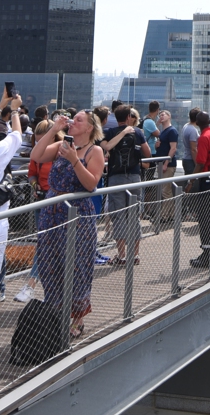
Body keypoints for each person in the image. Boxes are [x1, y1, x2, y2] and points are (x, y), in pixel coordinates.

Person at [32, 109, 105, 334]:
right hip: (51, 213)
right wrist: (54, 129)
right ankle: (55, 315)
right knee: (49, 264)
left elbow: (91, 184)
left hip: (77, 216)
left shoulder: (95, 151)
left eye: (79, 120)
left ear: (89, 128)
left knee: (76, 265)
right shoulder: (62, 145)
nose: (73, 122)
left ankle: (77, 319)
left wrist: (75, 160)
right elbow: (36, 155)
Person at [99, 105, 148, 267]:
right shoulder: (138, 132)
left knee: (118, 217)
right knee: (134, 216)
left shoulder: (109, 132)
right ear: (129, 117)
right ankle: (136, 255)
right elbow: (147, 153)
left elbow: (105, 147)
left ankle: (122, 255)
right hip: (134, 176)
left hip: (116, 178)